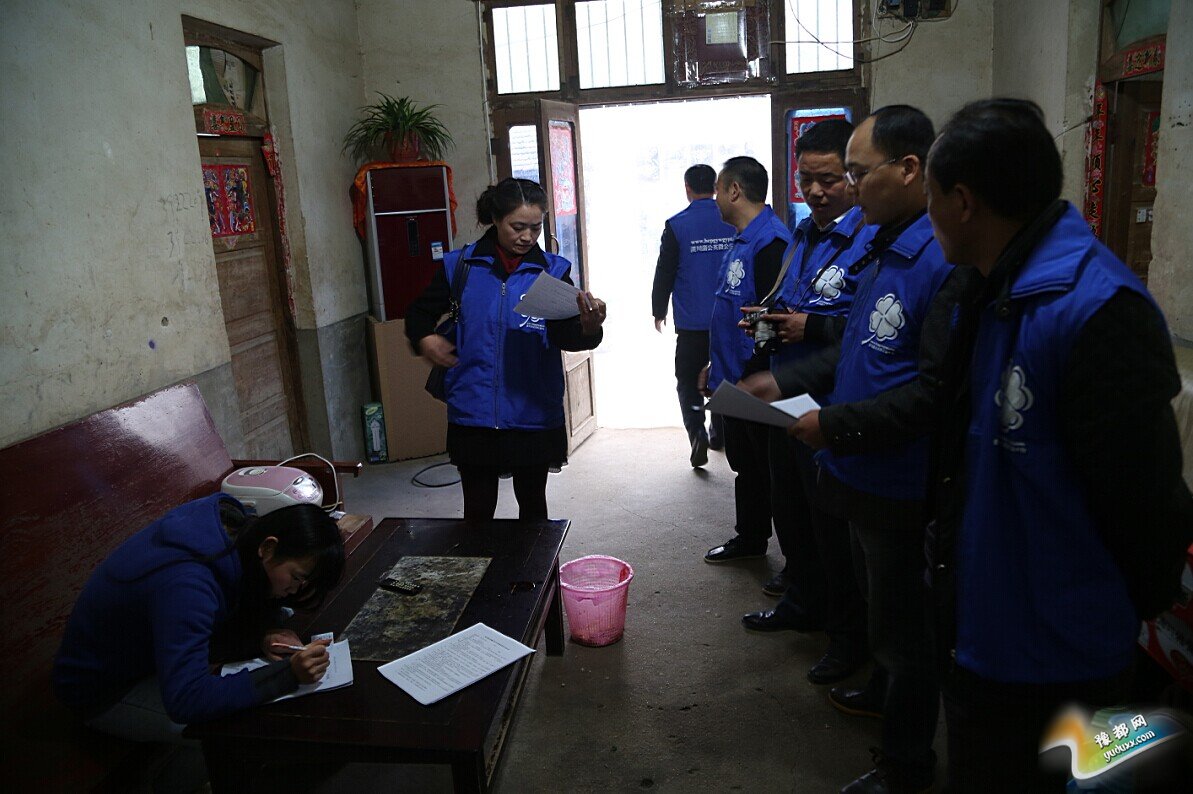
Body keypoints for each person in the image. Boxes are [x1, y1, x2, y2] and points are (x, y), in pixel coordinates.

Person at [923, 98, 1193, 793]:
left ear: (962, 202)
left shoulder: (1096, 310)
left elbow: (1147, 504)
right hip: (985, 629)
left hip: (1059, 656)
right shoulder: (987, 288)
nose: (928, 215)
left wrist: (1105, 613)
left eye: (930, 196)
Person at [747, 106, 980, 792]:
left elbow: (932, 394)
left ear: (909, 170)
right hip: (856, 466)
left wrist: (834, 424)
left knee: (907, 630)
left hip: (898, 479)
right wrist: (785, 383)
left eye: (853, 173)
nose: (842, 189)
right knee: (881, 611)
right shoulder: (880, 244)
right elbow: (859, 348)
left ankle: (906, 765)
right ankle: (882, 691)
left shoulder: (941, 260)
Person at [736, 119, 875, 689]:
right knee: (789, 508)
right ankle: (801, 602)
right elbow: (793, 302)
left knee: (832, 528)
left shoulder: (870, 239)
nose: (816, 191)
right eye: (805, 179)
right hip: (785, 395)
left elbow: (871, 331)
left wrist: (811, 326)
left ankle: (847, 638)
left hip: (833, 406)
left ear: (854, 178)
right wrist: (768, 322)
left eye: (829, 179)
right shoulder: (802, 233)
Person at [52, 494, 345, 741]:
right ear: (267, 547)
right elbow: (186, 701)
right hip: (103, 690)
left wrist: (261, 636)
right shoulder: (188, 583)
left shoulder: (234, 530)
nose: (294, 589)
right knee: (234, 725)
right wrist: (288, 675)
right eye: (296, 578)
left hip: (152, 658)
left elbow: (215, 621)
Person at [406, 177, 606, 522]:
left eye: (535, 227)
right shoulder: (461, 267)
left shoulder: (552, 272)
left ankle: (535, 563)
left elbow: (565, 335)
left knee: (533, 508)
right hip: (474, 412)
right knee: (478, 511)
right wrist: (425, 338)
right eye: (517, 227)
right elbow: (418, 313)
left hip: (532, 411)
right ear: (496, 219)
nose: (527, 237)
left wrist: (589, 327)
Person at [701, 156, 794, 567]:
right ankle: (751, 537)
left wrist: (750, 375)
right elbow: (732, 311)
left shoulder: (771, 242)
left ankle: (797, 566)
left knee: (774, 472)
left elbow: (773, 320)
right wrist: (714, 365)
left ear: (734, 191)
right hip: (733, 375)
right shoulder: (743, 239)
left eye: (718, 191)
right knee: (747, 466)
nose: (716, 199)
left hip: (756, 380)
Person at [651, 164, 735, 466]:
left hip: (692, 324)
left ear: (687, 188)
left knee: (688, 381)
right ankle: (719, 433)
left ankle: (697, 432)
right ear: (715, 187)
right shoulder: (732, 219)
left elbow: (665, 271)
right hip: (731, 321)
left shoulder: (677, 225)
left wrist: (658, 310)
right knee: (726, 378)